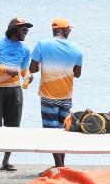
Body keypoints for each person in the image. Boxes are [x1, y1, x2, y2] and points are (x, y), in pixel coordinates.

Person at [0, 17, 33, 172]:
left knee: (13, 127)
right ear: (13, 29)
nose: (26, 32)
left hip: (15, 90)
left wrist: (28, 76)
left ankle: (6, 161)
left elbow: (24, 70)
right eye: (23, 29)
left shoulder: (25, 50)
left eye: (27, 29)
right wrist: (5, 69)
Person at [31, 18, 83, 168]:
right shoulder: (77, 48)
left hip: (48, 96)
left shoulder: (42, 44)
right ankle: (61, 165)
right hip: (66, 96)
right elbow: (77, 74)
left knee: (50, 132)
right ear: (63, 30)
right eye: (69, 29)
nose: (70, 31)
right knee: (63, 131)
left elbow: (32, 68)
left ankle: (59, 166)